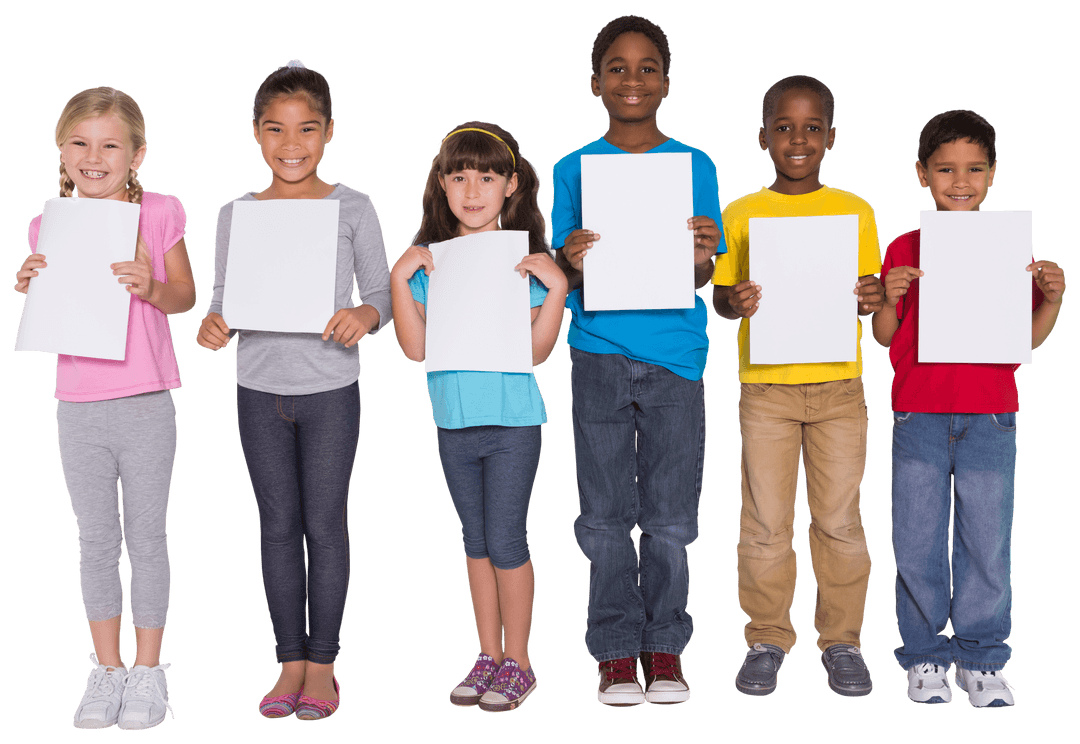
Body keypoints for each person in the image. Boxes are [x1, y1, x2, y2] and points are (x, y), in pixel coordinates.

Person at [196, 60, 391, 722]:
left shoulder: (353, 206)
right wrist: (214, 324)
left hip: (331, 389)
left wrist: (365, 317)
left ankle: (325, 666)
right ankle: (288, 663)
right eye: (275, 129)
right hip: (257, 390)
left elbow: (380, 296)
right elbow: (222, 297)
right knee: (277, 526)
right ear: (255, 133)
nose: (291, 144)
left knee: (325, 524)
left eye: (307, 129)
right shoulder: (235, 214)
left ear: (330, 132)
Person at [552, 15, 724, 707]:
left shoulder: (696, 166)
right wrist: (572, 257)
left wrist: (703, 252)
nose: (632, 78)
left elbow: (705, 273)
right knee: (602, 514)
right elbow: (563, 266)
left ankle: (666, 646)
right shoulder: (573, 169)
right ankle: (617, 651)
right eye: (617, 67)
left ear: (667, 82)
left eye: (647, 67)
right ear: (596, 83)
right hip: (597, 351)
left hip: (675, 356)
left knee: (672, 516)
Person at [14, 85, 196, 730]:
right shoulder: (48, 223)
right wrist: (33, 282)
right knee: (95, 540)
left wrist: (152, 284)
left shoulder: (161, 212)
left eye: (111, 145)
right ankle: (107, 669)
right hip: (78, 405)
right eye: (81, 143)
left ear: (136, 154)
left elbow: (184, 298)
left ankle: (148, 672)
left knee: (145, 538)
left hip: (146, 401)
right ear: (62, 150)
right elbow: (56, 312)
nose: (95, 156)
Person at [871, 109, 1066, 708]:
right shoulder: (904, 247)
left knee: (986, 541)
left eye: (975, 169)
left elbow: (1027, 340)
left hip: (989, 416)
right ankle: (925, 654)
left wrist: (1053, 299)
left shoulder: (1011, 247)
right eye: (946, 168)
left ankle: (982, 658)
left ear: (992, 174)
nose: (961, 180)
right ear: (922, 174)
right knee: (917, 539)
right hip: (919, 414)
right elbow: (883, 337)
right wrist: (892, 296)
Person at [712, 74, 885, 699]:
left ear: (831, 138)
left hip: (840, 387)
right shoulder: (741, 214)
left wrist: (870, 297)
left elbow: (870, 298)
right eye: (784, 127)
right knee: (764, 522)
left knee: (840, 521)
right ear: (763, 138)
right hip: (768, 392)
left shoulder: (856, 210)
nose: (798, 139)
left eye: (812, 128)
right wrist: (738, 299)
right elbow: (722, 301)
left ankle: (842, 640)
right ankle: (765, 637)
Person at [391, 121, 566, 713]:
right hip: (452, 422)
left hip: (513, 422)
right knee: (475, 543)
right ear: (441, 185)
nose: (472, 190)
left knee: (507, 540)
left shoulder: (526, 264)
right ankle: (487, 655)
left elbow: (537, 353)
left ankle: (519, 663)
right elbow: (415, 349)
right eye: (459, 177)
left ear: (510, 185)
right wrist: (399, 276)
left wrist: (558, 289)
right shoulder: (428, 264)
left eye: (486, 177)